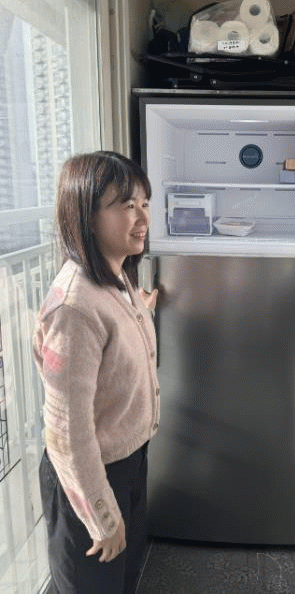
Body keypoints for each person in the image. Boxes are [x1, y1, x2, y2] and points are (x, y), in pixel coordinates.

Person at [34, 151, 160, 594]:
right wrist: (100, 515)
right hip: (89, 479)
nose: (142, 216)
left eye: (144, 202)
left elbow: (109, 342)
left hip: (127, 463)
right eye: (126, 205)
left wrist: (140, 312)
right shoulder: (74, 308)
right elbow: (67, 433)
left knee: (123, 580)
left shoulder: (117, 276)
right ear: (87, 217)